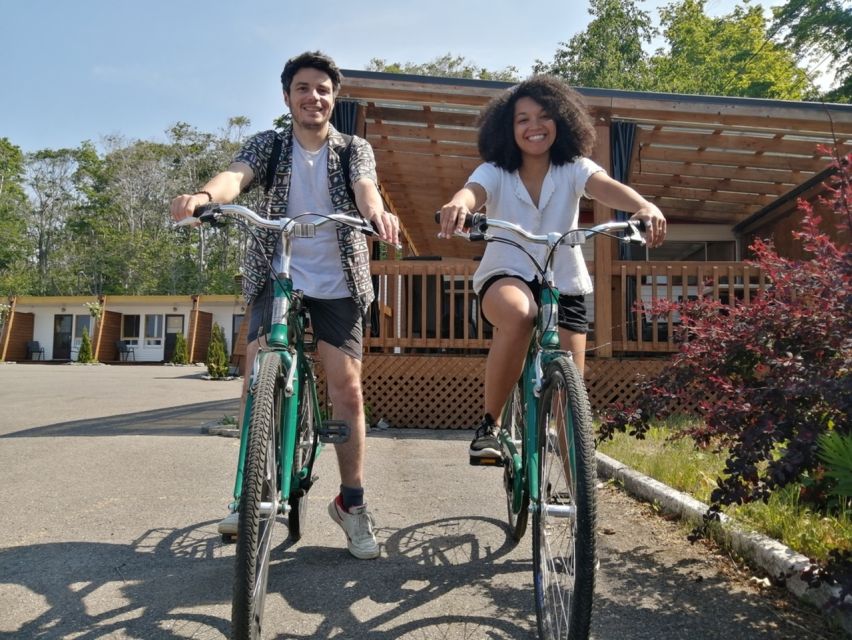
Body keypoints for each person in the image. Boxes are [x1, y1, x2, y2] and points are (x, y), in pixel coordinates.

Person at [171, 51, 399, 559]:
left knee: (347, 388)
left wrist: (377, 213)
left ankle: (352, 504)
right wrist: (204, 195)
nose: (312, 96)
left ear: (333, 97)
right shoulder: (269, 145)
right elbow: (236, 176)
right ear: (287, 96)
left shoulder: (351, 148)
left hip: (338, 278)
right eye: (303, 88)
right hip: (277, 273)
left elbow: (366, 189)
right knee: (257, 380)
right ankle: (250, 494)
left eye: (322, 89)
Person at [438, 75, 666, 464]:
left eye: (543, 116)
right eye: (522, 119)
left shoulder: (574, 168)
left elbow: (605, 186)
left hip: (563, 279)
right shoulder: (495, 170)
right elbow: (472, 191)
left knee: (570, 389)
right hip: (506, 271)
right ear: (508, 129)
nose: (533, 126)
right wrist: (459, 204)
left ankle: (574, 476)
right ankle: (490, 426)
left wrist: (644, 206)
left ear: (561, 121)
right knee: (519, 314)